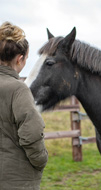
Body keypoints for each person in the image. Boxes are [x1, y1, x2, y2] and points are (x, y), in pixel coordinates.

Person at [0, 22, 48, 190]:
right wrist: (40, 161)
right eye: (26, 58)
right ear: (20, 59)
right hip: (16, 181)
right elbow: (32, 133)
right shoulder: (18, 89)